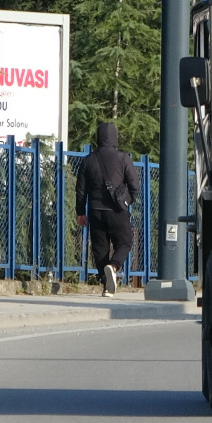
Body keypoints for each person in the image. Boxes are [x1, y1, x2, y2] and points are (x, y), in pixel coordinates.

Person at [76, 122, 140, 297]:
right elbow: (135, 184)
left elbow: (81, 189)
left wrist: (80, 212)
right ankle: (113, 267)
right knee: (124, 242)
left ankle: (106, 287)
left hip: (95, 210)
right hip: (117, 211)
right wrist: (127, 201)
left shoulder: (88, 160)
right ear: (115, 137)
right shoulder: (123, 158)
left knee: (100, 248)